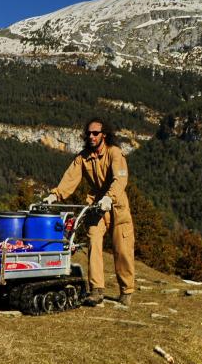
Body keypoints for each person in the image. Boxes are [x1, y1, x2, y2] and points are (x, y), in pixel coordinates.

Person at [42, 118, 135, 307]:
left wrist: (109, 198)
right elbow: (70, 178)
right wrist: (55, 195)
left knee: (122, 248)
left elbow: (120, 180)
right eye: (89, 133)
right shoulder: (83, 157)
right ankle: (96, 289)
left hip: (116, 204)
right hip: (95, 205)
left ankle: (126, 291)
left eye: (95, 133)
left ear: (104, 135)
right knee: (93, 241)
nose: (91, 136)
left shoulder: (114, 153)